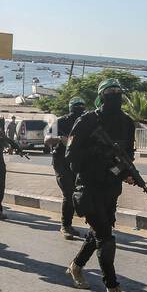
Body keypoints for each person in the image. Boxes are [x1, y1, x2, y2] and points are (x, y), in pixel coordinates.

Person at [66, 77, 137, 292]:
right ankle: (113, 289)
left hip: (111, 188)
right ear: (101, 97)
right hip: (88, 187)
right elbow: (71, 157)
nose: (115, 95)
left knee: (98, 232)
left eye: (118, 91)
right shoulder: (87, 121)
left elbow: (128, 154)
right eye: (110, 92)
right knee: (105, 237)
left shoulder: (127, 123)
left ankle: (76, 266)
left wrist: (126, 172)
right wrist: (97, 153)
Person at [53, 96, 86, 239]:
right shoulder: (60, 121)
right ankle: (65, 225)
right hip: (61, 161)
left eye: (81, 107)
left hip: (77, 162)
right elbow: (47, 139)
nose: (79, 110)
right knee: (68, 192)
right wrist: (61, 139)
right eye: (76, 107)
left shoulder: (86, 122)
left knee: (79, 193)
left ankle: (73, 224)